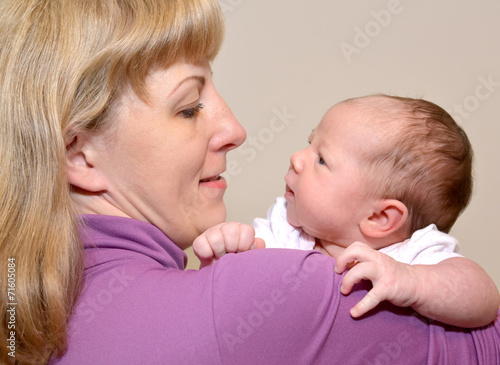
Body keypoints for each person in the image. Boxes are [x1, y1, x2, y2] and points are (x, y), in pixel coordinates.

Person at [0, 1, 499, 364]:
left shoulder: (27, 316)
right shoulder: (280, 292)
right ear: (79, 155)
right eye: (189, 107)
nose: (236, 130)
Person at [194, 95, 500, 325]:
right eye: (309, 143)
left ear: (380, 218)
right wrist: (231, 249)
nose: (297, 158)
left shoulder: (410, 256)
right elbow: (239, 289)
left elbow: (484, 299)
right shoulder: (285, 230)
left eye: (322, 159)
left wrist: (413, 282)